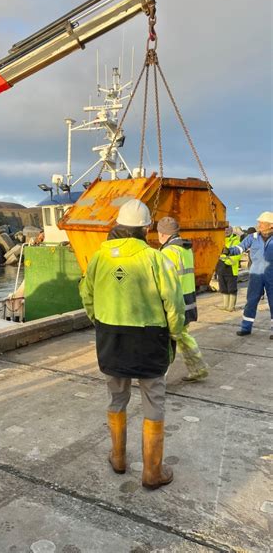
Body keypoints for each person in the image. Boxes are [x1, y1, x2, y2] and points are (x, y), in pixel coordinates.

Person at [79, 200, 185, 490]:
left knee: (116, 397)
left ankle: (118, 458)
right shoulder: (156, 258)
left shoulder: (100, 257)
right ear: (147, 228)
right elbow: (173, 304)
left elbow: (87, 296)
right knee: (153, 400)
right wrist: (174, 333)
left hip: (111, 337)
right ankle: (152, 472)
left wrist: (101, 322)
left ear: (118, 225)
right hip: (150, 339)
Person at [157, 216, 209, 382]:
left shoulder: (168, 252)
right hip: (188, 301)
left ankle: (159, 379)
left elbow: (164, 281)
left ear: (163, 234)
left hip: (176, 304)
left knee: (166, 342)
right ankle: (198, 369)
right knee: (182, 337)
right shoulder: (185, 249)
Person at [223, 211, 273, 338]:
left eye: (262, 223)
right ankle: (246, 327)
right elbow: (240, 248)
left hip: (271, 274)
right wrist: (228, 251)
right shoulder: (253, 237)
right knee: (251, 301)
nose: (259, 224)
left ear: (270, 225)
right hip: (256, 274)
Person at [216, 225, 241, 311]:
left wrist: (226, 260)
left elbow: (237, 255)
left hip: (231, 268)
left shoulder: (236, 241)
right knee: (223, 287)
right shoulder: (220, 240)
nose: (226, 232)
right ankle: (225, 305)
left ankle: (231, 306)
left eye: (227, 230)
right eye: (224, 230)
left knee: (232, 288)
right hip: (221, 267)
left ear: (231, 231)